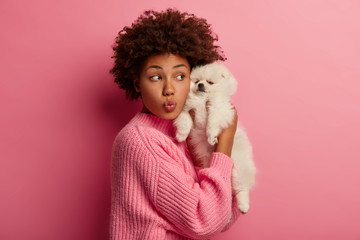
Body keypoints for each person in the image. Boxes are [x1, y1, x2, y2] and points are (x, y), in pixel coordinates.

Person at [109, 8, 242, 239]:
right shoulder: (141, 140)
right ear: (137, 83)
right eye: (156, 77)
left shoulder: (182, 132)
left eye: (180, 76)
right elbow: (204, 220)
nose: (169, 89)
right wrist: (226, 141)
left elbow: (224, 218)